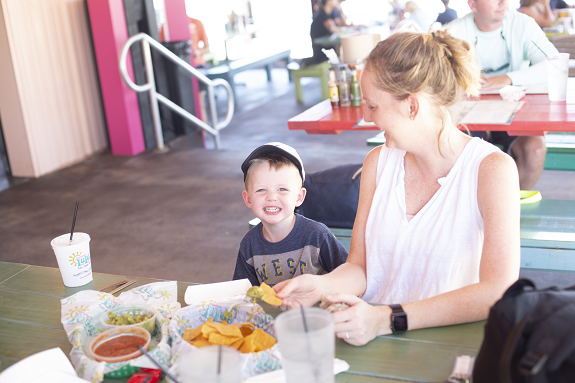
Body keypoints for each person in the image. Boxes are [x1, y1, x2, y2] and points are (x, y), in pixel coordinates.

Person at [275, 31, 520, 346]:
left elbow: (497, 291)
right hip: (370, 334)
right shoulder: (378, 162)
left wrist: (387, 319)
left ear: (412, 107)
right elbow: (361, 267)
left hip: (444, 345)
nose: (365, 116)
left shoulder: (491, 170)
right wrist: (322, 286)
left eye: (373, 106)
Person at [447, 0, 559, 190]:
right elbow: (432, 74)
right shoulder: (453, 31)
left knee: (535, 149)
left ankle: (509, 210)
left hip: (513, 109)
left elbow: (554, 64)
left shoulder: (523, 24)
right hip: (466, 115)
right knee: (451, 150)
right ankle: (471, 211)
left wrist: (506, 78)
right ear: (472, 4)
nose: (502, 2)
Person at [233, 142, 348, 287]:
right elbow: (244, 293)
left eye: (282, 189)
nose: (271, 197)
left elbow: (347, 275)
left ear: (299, 197)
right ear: (248, 199)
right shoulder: (249, 244)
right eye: (261, 190)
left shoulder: (317, 235)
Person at [308, 0, 340, 65]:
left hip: (327, 48)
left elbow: (342, 24)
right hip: (322, 52)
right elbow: (333, 29)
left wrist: (340, 11)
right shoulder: (322, 14)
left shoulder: (330, 14)